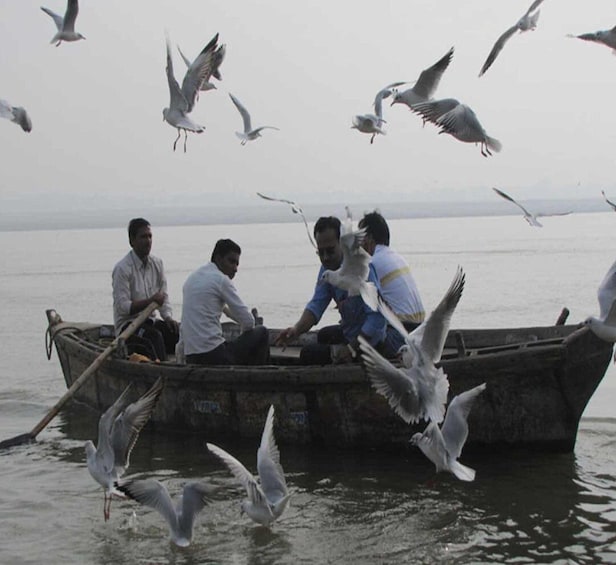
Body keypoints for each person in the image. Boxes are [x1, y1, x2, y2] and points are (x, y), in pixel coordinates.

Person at [276, 216, 403, 364]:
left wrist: (351, 349)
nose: (325, 257)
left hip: (373, 341)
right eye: (321, 252)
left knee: (308, 354)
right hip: (351, 332)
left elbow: (376, 319)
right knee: (323, 336)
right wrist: (296, 330)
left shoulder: (360, 268)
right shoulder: (327, 270)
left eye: (330, 251)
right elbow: (316, 304)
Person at [180, 238, 270, 366]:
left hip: (191, 356)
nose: (235, 268)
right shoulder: (221, 280)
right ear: (218, 259)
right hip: (214, 356)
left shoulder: (192, 278)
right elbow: (249, 322)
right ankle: (257, 377)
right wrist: (244, 333)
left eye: (237, 264)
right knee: (262, 332)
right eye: (231, 262)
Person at [112, 218, 179, 361]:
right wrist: (151, 301)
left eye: (150, 236)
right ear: (132, 241)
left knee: (178, 332)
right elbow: (124, 307)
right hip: (128, 328)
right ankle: (163, 372)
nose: (148, 241)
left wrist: (167, 317)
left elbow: (163, 296)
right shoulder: (122, 269)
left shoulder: (157, 264)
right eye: (143, 237)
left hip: (150, 322)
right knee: (154, 338)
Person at [358, 211, 425, 330]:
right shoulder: (397, 257)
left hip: (400, 329)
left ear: (369, 238)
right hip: (420, 327)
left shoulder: (372, 262)